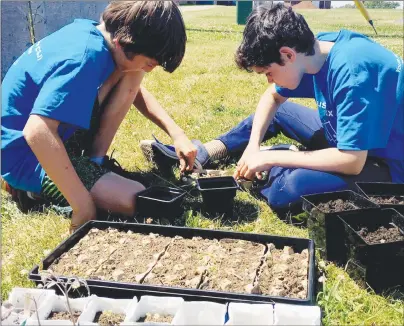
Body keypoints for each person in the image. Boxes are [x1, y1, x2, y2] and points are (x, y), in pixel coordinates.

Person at [140, 3, 404, 215]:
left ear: (288, 54)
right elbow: (272, 99)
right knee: (280, 113)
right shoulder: (316, 53)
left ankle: (279, 162)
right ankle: (207, 152)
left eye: (268, 72)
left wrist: (271, 159)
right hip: (347, 138)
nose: (269, 81)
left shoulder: (353, 72)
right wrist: (254, 146)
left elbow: (352, 161)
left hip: (387, 162)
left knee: (286, 191)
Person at [1, 1, 197, 230]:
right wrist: (82, 205)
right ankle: (29, 190)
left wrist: (177, 134)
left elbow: (135, 91)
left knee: (133, 73)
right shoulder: (84, 59)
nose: (151, 68)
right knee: (131, 198)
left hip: (45, 137)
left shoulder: (97, 35)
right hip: (28, 155)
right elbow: (37, 130)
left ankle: (94, 163)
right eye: (150, 62)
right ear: (125, 43)